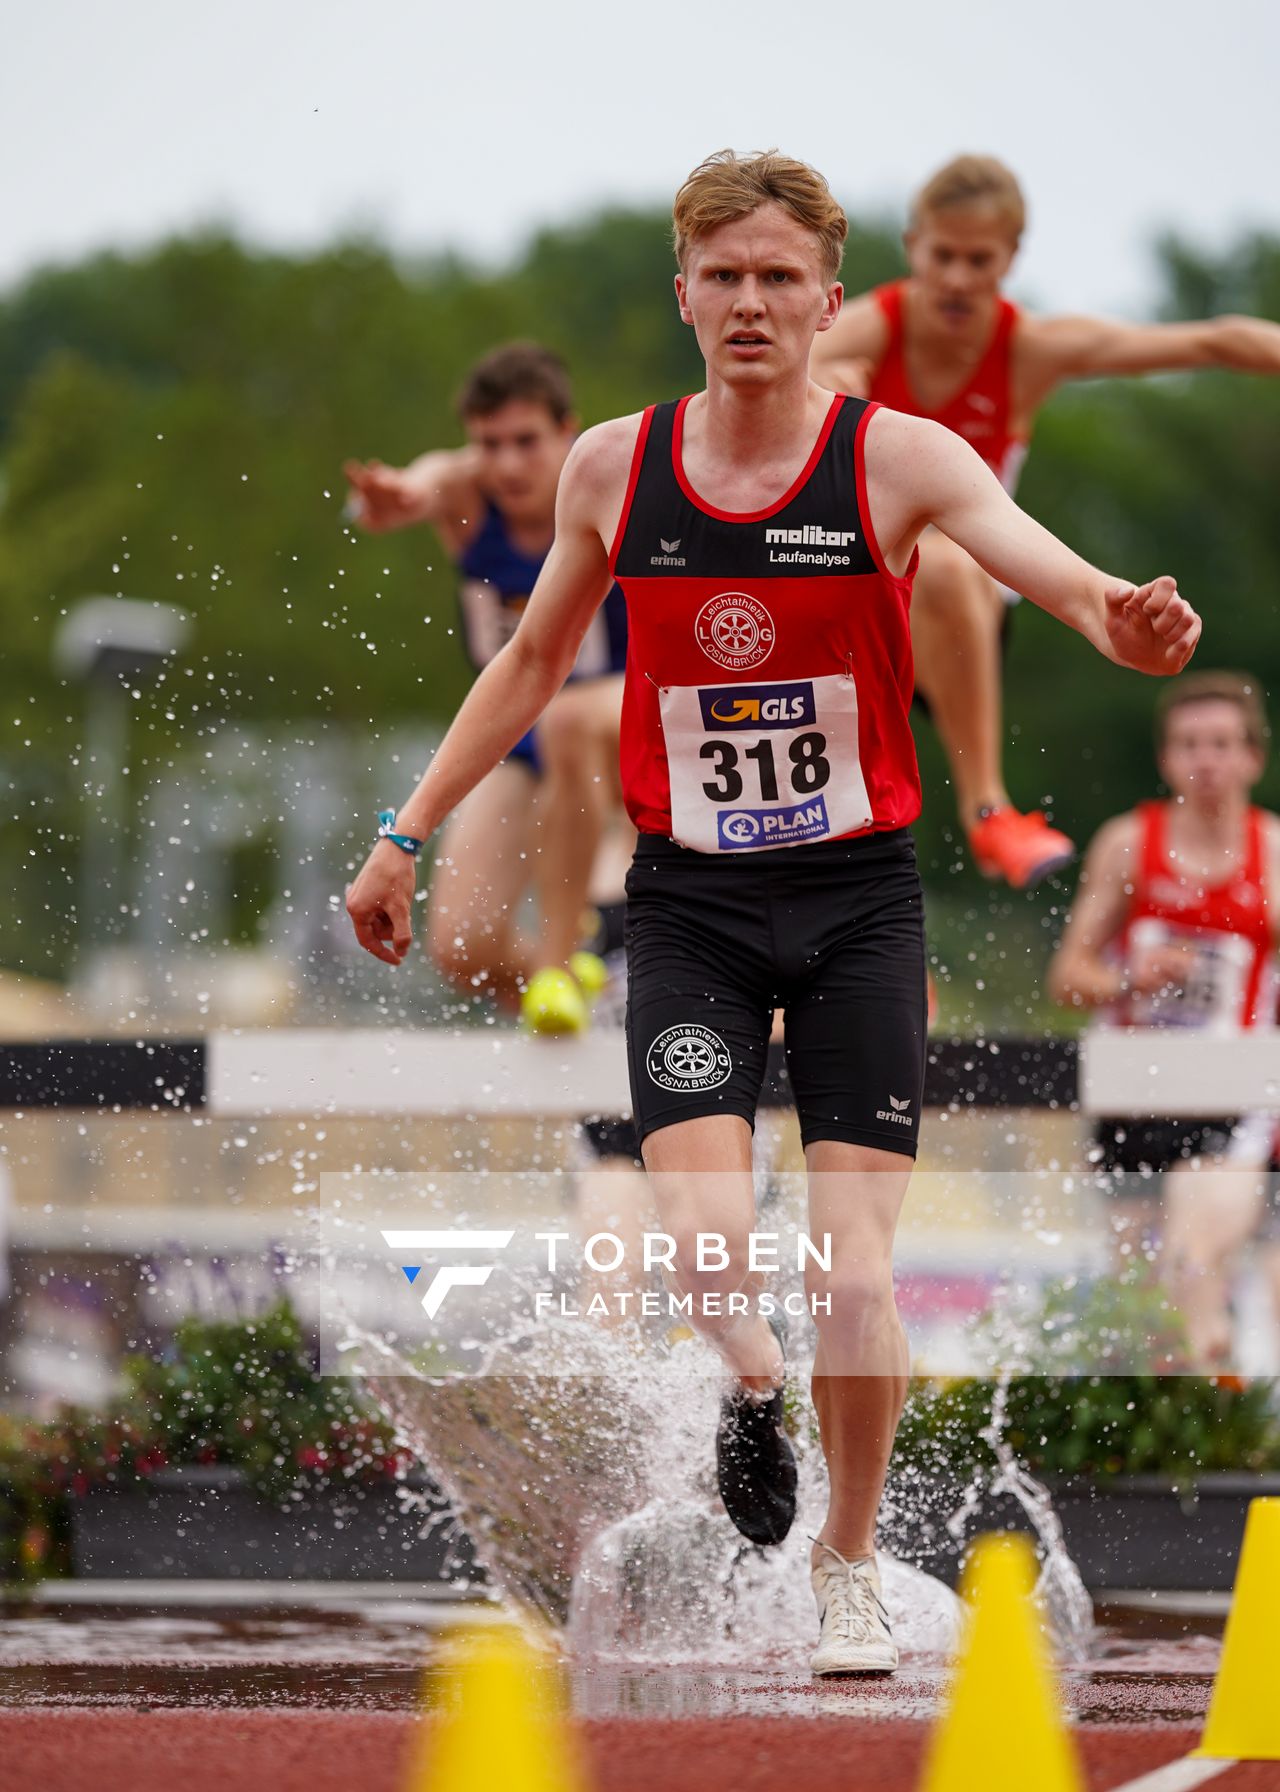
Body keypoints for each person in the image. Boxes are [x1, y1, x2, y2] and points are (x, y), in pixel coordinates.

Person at [345, 149, 1199, 1678]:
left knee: (859, 1269)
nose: (749, 302)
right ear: (683, 295)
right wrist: (405, 834)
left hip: (860, 902)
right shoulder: (618, 467)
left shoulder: (901, 461)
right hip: (692, 912)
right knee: (707, 1239)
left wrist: (1131, 621)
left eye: (777, 278)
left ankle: (852, 1569)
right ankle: (751, 1389)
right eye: (721, 277)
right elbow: (530, 668)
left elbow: (1067, 588)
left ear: (827, 298)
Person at [811, 156, 1280, 890]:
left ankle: (988, 808)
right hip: (847, 588)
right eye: (943, 257)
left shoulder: (1030, 350)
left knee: (952, 561)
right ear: (913, 245)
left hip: (960, 603)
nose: (959, 279)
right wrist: (827, 386)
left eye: (979, 260)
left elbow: (1212, 340)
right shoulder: (865, 330)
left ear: (1011, 258)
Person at [344, 343, 628, 1033]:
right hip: (521, 733)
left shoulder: (607, 487)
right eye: (489, 444)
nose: (507, 465)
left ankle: (598, 957)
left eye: (527, 442)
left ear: (570, 432)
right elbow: (432, 478)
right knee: (460, 948)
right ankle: (588, 993)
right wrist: (403, 493)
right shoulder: (471, 496)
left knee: (573, 727)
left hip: (623, 723)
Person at [1048, 673, 1279, 1357]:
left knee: (1191, 1264)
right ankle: (1203, 1416)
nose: (1204, 761)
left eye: (1220, 744)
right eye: (1188, 745)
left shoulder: (1272, 853)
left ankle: (1225, 1421)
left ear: (1252, 758)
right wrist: (1128, 978)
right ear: (1165, 758)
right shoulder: (1128, 843)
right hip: (1133, 1091)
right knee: (1143, 1312)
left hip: (1232, 1091)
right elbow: (1068, 977)